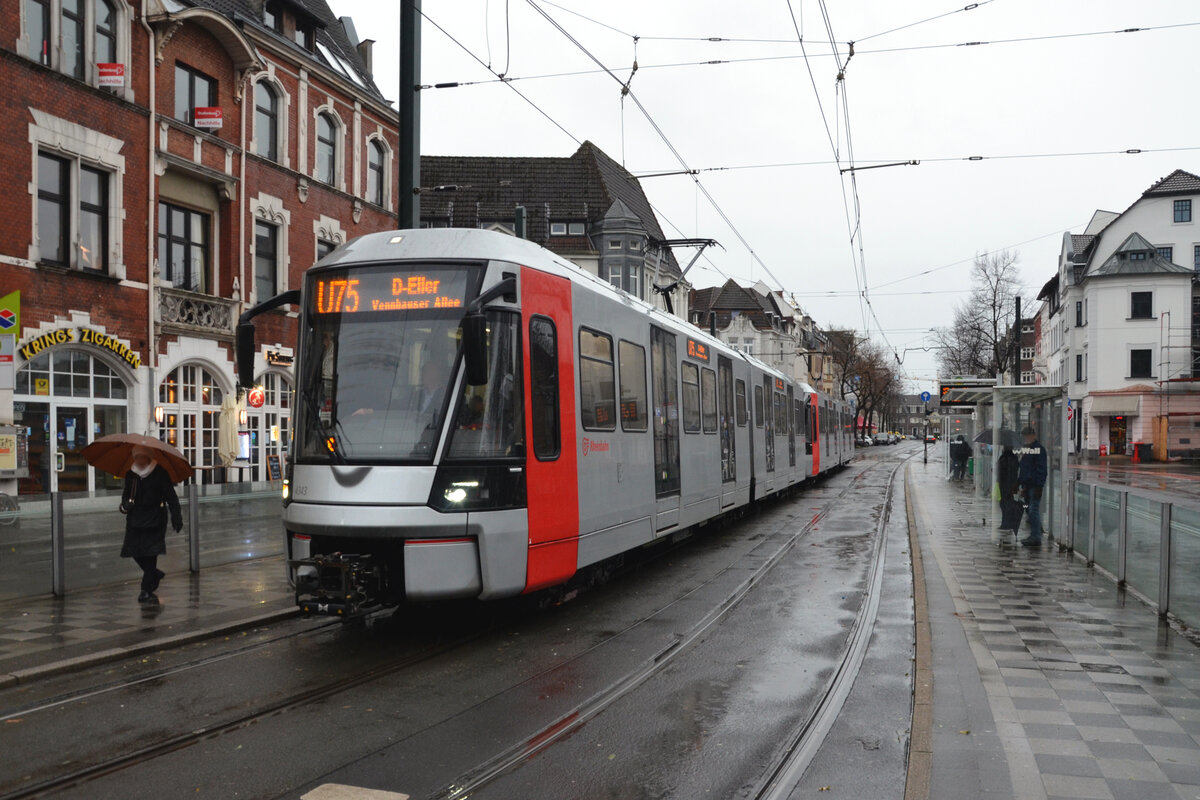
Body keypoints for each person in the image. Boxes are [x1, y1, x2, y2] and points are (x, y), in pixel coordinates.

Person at [119, 447, 183, 603]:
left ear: (148, 458)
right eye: (137, 458)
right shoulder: (131, 475)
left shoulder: (160, 473)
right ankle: (154, 573)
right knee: (133, 551)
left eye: (142, 458)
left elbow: (171, 497)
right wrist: (125, 504)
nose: (139, 461)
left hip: (155, 519)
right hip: (135, 519)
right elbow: (126, 496)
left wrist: (176, 517)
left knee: (150, 554)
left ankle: (145, 590)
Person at [1018, 425, 1048, 547]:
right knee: (1029, 509)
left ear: (1033, 436)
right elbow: (1025, 469)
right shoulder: (1027, 450)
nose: (1026, 438)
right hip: (1028, 486)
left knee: (1033, 509)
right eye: (1024, 436)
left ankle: (1036, 536)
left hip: (1034, 486)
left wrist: (1039, 486)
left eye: (1028, 435)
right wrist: (1022, 484)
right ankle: (1035, 531)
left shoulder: (1038, 449)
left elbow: (1041, 469)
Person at [996, 444, 1022, 536]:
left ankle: (1006, 524)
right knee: (1006, 503)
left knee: (1006, 504)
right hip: (1009, 484)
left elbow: (1004, 472)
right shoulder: (1012, 458)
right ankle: (1006, 523)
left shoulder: (1006, 458)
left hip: (1006, 484)